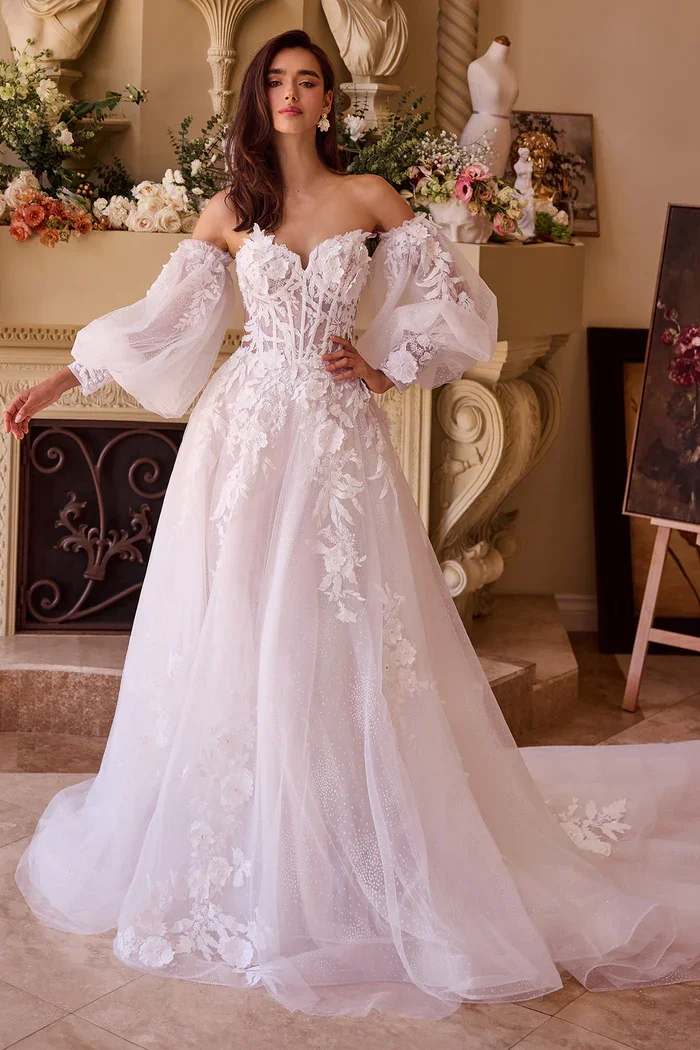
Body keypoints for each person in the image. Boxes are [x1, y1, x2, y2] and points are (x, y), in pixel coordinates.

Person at [4, 28, 700, 1023]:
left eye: (308, 80)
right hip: (244, 444)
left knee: (336, 632)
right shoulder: (229, 209)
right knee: (238, 628)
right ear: (259, 97)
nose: (291, 93)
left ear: (329, 101)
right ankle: (249, 836)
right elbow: (162, 320)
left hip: (334, 446)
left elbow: (459, 304)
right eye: (277, 80)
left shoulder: (370, 198)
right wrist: (62, 380)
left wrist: (385, 365)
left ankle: (344, 837)